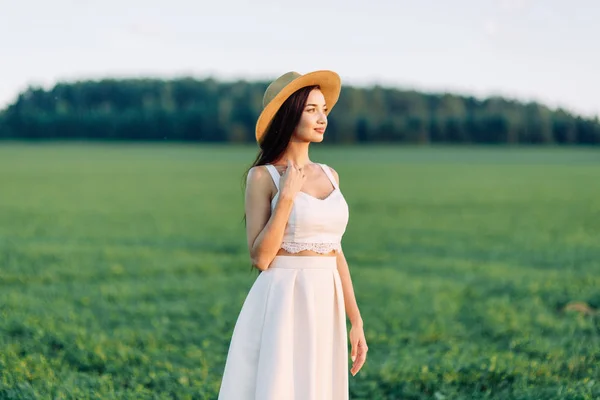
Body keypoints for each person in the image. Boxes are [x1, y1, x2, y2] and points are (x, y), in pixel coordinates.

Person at [217, 70, 368, 400]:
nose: (322, 118)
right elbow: (261, 258)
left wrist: (355, 320)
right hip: (283, 301)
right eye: (311, 109)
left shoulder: (331, 175)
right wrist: (286, 197)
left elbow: (335, 252)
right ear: (287, 115)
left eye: (324, 109)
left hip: (326, 300)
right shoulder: (263, 177)